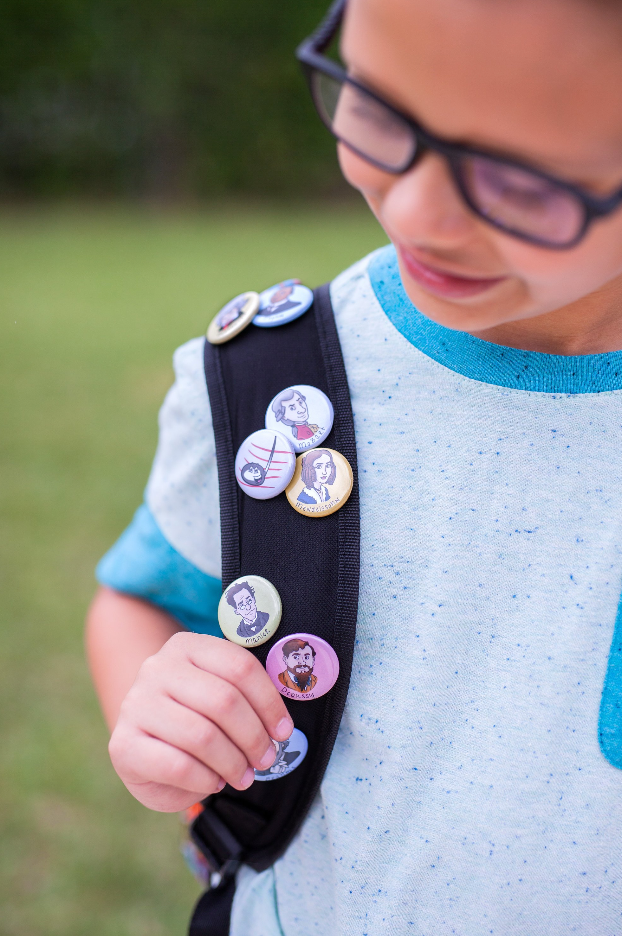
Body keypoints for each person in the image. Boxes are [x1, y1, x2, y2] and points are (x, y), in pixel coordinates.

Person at [86, 0, 622, 932]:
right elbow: (136, 599)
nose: (418, 211)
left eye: (516, 177)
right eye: (375, 107)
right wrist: (171, 727)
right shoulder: (267, 387)